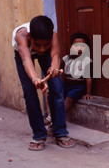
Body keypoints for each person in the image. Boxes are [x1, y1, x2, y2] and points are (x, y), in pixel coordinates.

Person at [12, 15, 75, 151]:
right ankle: (39, 135)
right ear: (29, 36)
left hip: (47, 54)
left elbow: (55, 56)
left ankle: (60, 132)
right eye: (37, 45)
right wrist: (35, 78)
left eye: (45, 45)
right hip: (23, 55)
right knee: (29, 92)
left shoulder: (53, 36)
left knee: (57, 88)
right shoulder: (21, 37)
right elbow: (26, 60)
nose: (41, 49)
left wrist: (54, 68)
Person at [61, 32, 93, 114]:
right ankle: (52, 115)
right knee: (52, 95)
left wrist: (88, 93)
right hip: (66, 84)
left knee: (69, 99)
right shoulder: (66, 59)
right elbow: (61, 73)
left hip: (78, 87)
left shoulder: (86, 61)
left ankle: (58, 118)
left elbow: (88, 78)